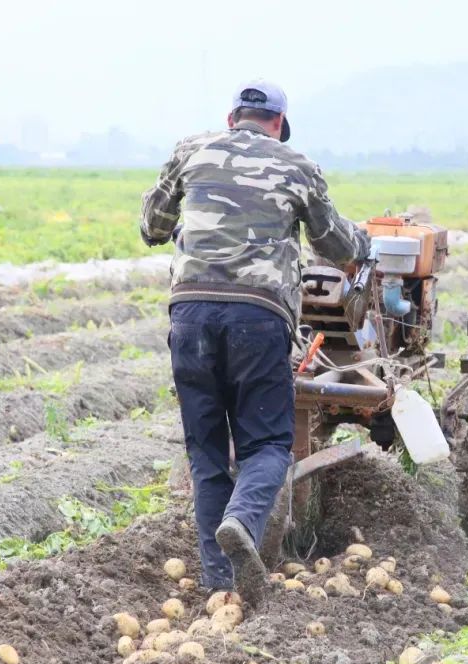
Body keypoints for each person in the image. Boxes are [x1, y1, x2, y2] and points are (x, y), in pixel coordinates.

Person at [139, 79, 370, 604]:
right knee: (267, 445)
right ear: (279, 125)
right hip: (259, 317)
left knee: (206, 452)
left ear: (231, 118)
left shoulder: (190, 150)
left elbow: (152, 225)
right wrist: (365, 242)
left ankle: (220, 585)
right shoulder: (297, 165)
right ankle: (242, 520)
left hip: (190, 313)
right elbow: (335, 244)